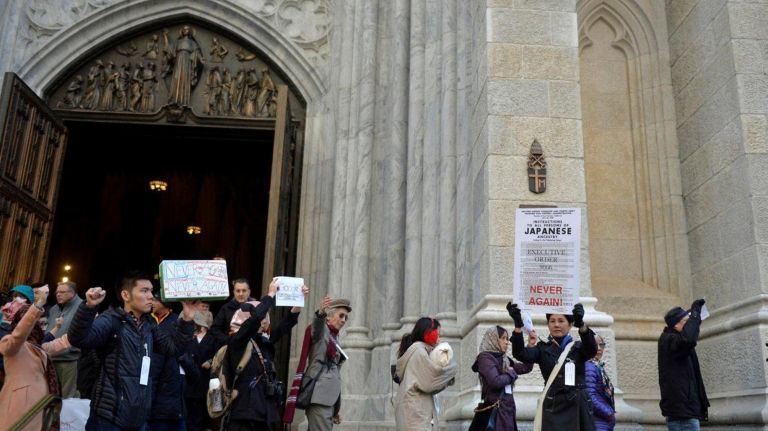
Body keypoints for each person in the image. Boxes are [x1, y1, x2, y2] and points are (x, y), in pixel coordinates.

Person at [68, 271, 196, 430]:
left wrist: (188, 319)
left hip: (139, 418)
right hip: (109, 416)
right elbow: (79, 339)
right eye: (144, 291)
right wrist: (89, 307)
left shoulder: (149, 325)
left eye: (151, 291)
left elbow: (173, 348)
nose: (151, 296)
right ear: (126, 295)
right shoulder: (111, 320)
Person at [223, 279, 309, 430]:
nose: (264, 319)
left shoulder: (263, 340)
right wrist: (270, 295)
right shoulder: (238, 340)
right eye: (260, 316)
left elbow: (283, 327)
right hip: (244, 414)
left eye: (265, 317)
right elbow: (253, 320)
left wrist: (298, 303)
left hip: (265, 412)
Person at [509, 303, 597, 431]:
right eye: (552, 321)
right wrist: (518, 325)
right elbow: (521, 354)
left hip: (577, 406)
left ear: (571, 324)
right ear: (548, 324)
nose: (556, 325)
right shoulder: (542, 348)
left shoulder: (578, 348)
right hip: (553, 405)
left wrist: (582, 325)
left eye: (561, 321)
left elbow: (592, 350)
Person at [0, 293, 70, 430]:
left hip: (39, 407)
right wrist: (36, 307)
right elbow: (19, 335)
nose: (41, 326)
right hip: (20, 407)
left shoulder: (38, 347)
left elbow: (64, 341)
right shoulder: (10, 343)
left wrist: (88, 312)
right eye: (39, 323)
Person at [394, 317, 457, 431]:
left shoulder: (417, 350)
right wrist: (451, 370)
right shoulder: (419, 352)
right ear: (428, 332)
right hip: (415, 415)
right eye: (437, 332)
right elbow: (430, 382)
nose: (439, 336)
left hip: (411, 412)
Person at [469, 326, 533, 431]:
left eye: (507, 339)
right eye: (503, 338)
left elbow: (526, 368)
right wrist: (511, 374)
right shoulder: (485, 358)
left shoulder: (505, 360)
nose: (507, 342)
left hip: (507, 411)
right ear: (493, 338)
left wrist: (530, 346)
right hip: (496, 412)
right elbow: (495, 381)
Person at [658, 299, 709, 431]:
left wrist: (694, 316)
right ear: (676, 325)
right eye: (686, 321)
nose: (689, 325)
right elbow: (689, 339)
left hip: (686, 412)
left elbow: (690, 336)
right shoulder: (670, 340)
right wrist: (695, 315)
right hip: (682, 415)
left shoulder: (676, 340)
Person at [303, 295, 352, 430]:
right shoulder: (322, 332)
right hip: (319, 397)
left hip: (327, 400)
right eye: (341, 316)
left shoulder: (335, 338)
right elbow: (316, 327)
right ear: (329, 317)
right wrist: (320, 314)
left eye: (346, 318)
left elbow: (334, 373)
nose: (343, 320)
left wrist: (335, 408)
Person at [148, 291, 192, 431]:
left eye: (155, 300)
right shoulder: (147, 321)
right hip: (150, 379)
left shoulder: (176, 322)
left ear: (165, 303)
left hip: (171, 380)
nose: (152, 303)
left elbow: (183, 349)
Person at [47, 280, 84, 398]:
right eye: (57, 292)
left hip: (69, 359)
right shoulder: (53, 309)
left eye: (62, 292)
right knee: (49, 396)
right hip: (50, 359)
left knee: (68, 398)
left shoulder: (83, 307)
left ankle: (66, 418)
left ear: (72, 293)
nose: (58, 294)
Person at [184, 311, 216, 431]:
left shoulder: (212, 338)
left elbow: (219, 354)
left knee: (204, 412)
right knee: (190, 413)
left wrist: (210, 361)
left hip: (206, 380)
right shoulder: (188, 337)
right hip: (189, 380)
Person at [165, 25, 205, 106]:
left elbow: (196, 52)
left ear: (189, 32)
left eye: (187, 29)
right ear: (182, 31)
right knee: (176, 78)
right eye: (184, 29)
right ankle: (174, 99)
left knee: (185, 79)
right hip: (178, 61)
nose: (186, 30)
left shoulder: (192, 43)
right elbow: (170, 51)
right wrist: (165, 36)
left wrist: (201, 59)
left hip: (187, 62)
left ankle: (184, 101)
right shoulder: (178, 42)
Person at [210, 278, 253, 346]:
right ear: (234, 292)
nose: (241, 294)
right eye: (238, 291)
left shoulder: (256, 307)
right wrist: (227, 341)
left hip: (251, 348)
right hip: (229, 348)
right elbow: (215, 329)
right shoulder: (226, 308)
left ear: (249, 292)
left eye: (244, 291)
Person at [585, 334, 615, 431]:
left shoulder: (597, 366)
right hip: (597, 421)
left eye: (601, 345)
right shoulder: (589, 367)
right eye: (595, 345)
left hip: (602, 420)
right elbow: (589, 396)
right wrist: (608, 413)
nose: (599, 348)